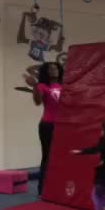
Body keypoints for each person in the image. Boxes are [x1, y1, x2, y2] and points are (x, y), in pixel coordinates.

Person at [24, 62, 63, 196]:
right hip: (48, 125)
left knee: (62, 157)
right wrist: (34, 86)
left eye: (56, 68)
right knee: (47, 156)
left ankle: (58, 186)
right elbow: (37, 102)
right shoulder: (42, 86)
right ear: (46, 72)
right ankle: (42, 189)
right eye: (51, 69)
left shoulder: (64, 85)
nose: (54, 70)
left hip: (63, 126)